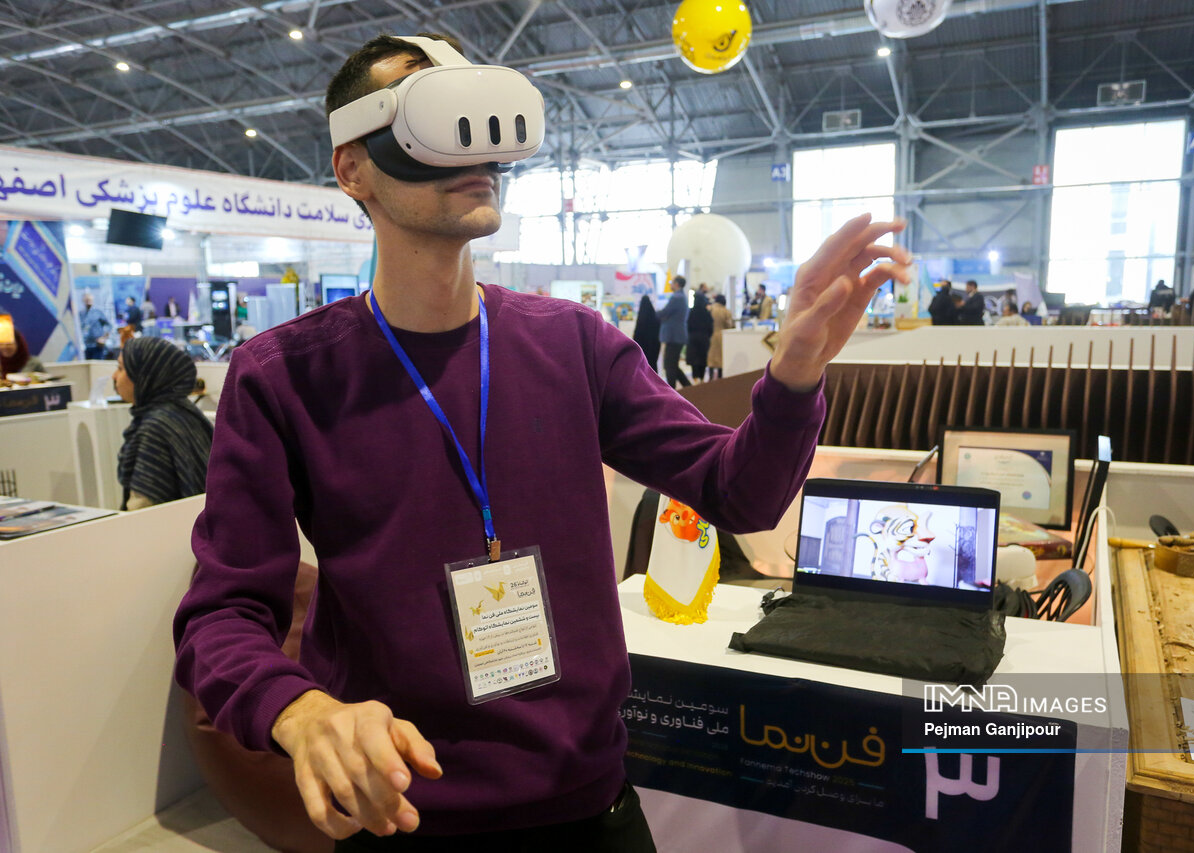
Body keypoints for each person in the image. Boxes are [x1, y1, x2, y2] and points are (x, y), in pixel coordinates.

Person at [172, 31, 911, 851]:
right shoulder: (284, 376)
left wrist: (795, 373)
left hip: (588, 806)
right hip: (404, 814)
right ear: (353, 168)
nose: (475, 148)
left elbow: (739, 491)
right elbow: (221, 613)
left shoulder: (574, 344)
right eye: (434, 114)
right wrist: (300, 710)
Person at [113, 337, 213, 511]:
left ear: (144, 375)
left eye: (121, 368)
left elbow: (143, 509)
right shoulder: (186, 412)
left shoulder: (154, 428)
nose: (114, 376)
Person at [657, 274, 691, 388]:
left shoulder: (677, 297)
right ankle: (688, 387)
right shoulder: (681, 297)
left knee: (669, 365)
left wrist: (653, 313)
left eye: (671, 282)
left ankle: (672, 390)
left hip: (674, 336)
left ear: (676, 284)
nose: (670, 284)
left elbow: (665, 312)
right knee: (672, 365)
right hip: (677, 336)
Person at [685, 290, 713, 383]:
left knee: (694, 360)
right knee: (702, 359)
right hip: (704, 339)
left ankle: (695, 379)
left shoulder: (691, 312)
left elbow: (688, 326)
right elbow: (710, 327)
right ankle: (701, 379)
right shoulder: (706, 312)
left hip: (693, 339)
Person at [707, 294, 735, 380]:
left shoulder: (710, 309)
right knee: (721, 359)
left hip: (710, 336)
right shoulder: (726, 311)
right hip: (722, 337)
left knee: (711, 359)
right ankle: (720, 378)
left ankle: (710, 377)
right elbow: (730, 325)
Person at [80, 291, 113, 359]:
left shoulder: (98, 312)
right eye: (86, 299)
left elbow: (108, 325)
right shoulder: (81, 314)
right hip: (86, 345)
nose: (88, 301)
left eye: (89, 299)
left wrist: (103, 338)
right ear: (83, 300)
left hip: (97, 345)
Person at [632, 294, 660, 372]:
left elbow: (637, 334)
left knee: (644, 365)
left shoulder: (641, 318)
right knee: (653, 364)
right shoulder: (655, 318)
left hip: (643, 347)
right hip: (654, 346)